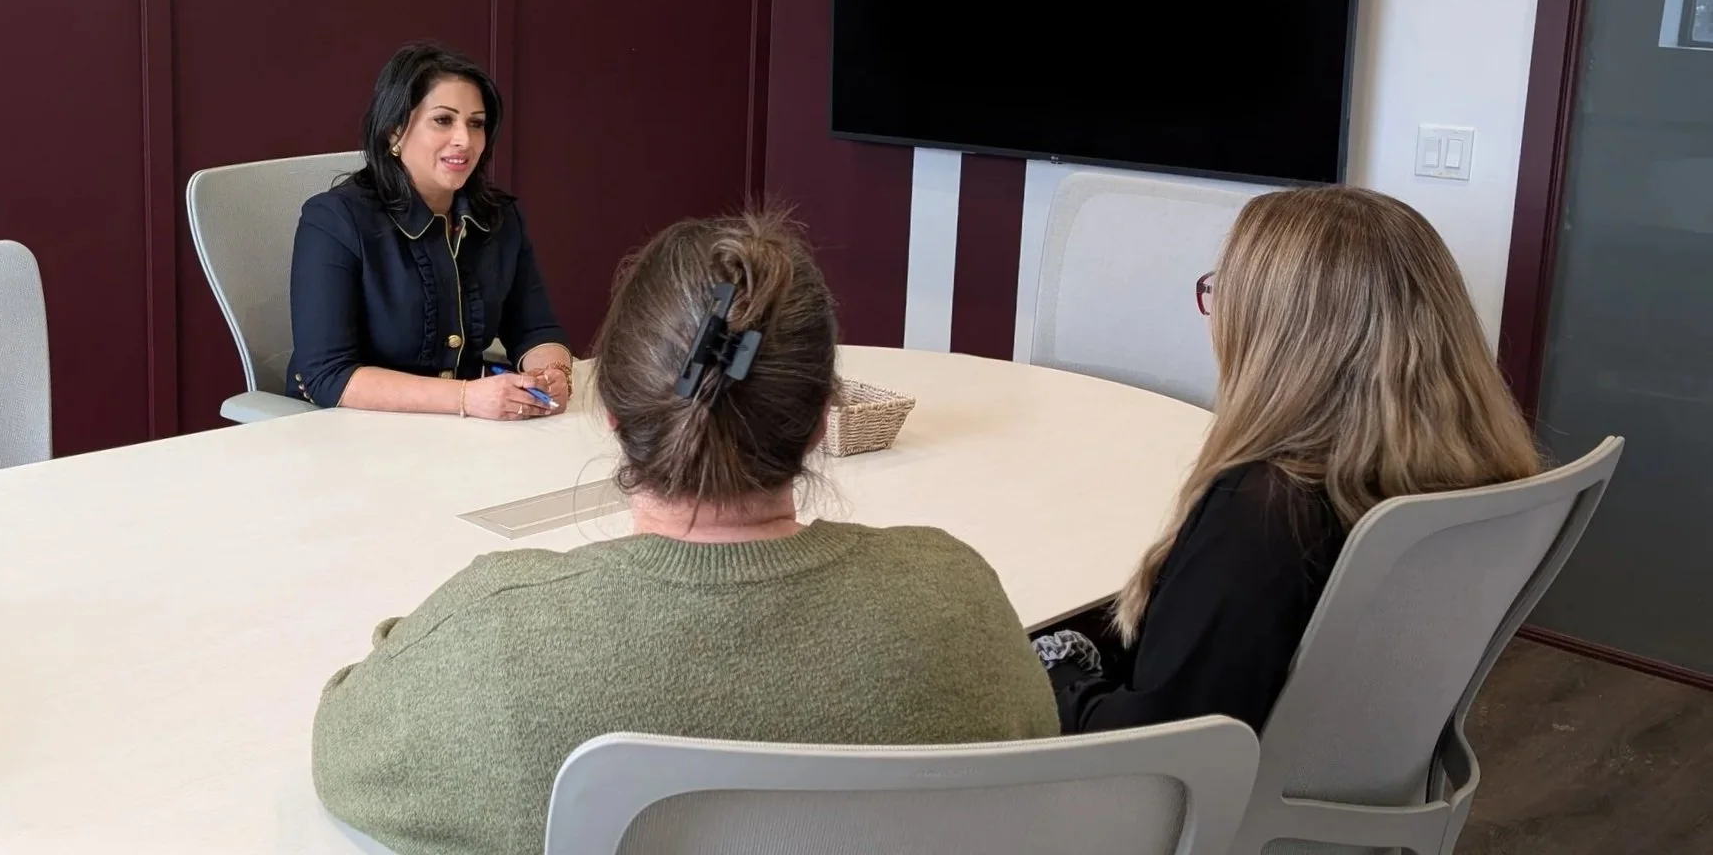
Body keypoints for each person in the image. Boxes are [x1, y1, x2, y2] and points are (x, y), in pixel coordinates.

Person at [313, 211, 1058, 855]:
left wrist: (419, 641)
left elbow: (343, 742)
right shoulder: (959, 600)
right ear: (819, 420)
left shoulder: (495, 637)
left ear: (611, 416)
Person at [1037, 186, 1543, 733]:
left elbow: (1162, 742)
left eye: (1224, 290)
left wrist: (1054, 671)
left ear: (1277, 332)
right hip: (1340, 769)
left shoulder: (1267, 511)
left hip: (1170, 801)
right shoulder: (1467, 475)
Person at [284, 42, 573, 419]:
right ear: (394, 132)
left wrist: (553, 373)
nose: (464, 140)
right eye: (443, 120)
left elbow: (537, 329)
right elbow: (327, 374)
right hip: (352, 435)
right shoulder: (333, 220)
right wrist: (467, 398)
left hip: (462, 432)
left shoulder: (499, 217)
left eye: (476, 123)